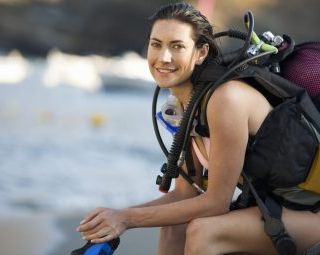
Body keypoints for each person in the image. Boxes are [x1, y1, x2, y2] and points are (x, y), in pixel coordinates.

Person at [76, 2, 320, 254]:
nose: (164, 57)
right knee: (174, 225)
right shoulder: (190, 105)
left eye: (177, 46)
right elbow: (185, 193)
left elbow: (217, 202)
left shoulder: (225, 99)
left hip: (310, 214)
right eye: (156, 44)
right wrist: (117, 216)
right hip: (279, 206)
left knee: (204, 231)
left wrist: (128, 219)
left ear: (202, 52)